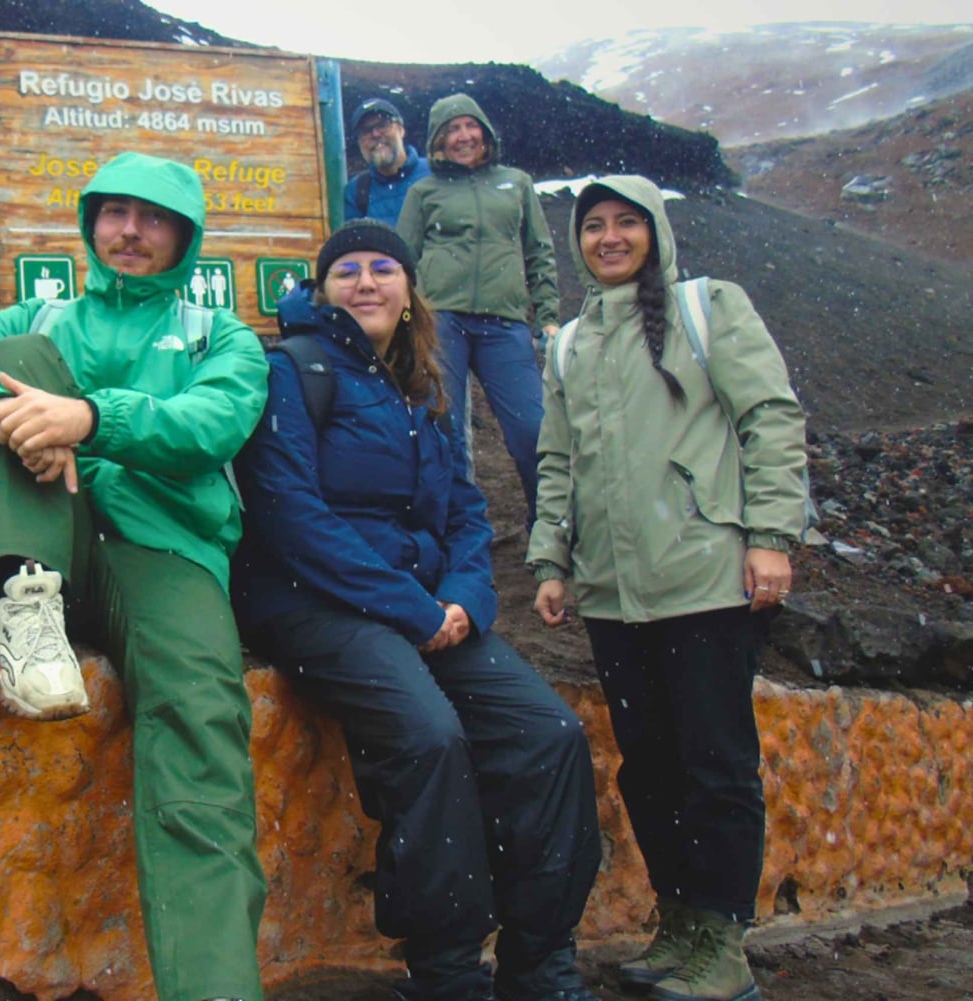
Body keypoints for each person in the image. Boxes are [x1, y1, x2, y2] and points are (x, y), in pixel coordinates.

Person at [0, 152, 268, 1001]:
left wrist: (92, 417)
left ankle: (213, 986)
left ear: (185, 236)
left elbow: (209, 424)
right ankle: (27, 603)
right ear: (91, 222)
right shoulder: (42, 315)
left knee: (201, 731)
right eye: (114, 213)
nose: (130, 232)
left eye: (153, 217)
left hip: (162, 550)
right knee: (15, 357)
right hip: (52, 536)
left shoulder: (224, 336)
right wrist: (6, 410)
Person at [232, 220, 600, 1001]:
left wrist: (464, 599)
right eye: (346, 271)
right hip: (312, 599)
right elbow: (289, 514)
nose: (366, 282)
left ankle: (540, 964)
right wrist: (412, 605)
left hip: (423, 605)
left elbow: (466, 511)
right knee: (429, 736)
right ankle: (447, 972)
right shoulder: (290, 369)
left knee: (551, 735)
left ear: (408, 292)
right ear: (322, 290)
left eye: (383, 269)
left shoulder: (420, 386)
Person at [528, 175, 809, 1001]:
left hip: (704, 577)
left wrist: (770, 538)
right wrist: (551, 559)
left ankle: (722, 945)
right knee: (649, 766)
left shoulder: (709, 306)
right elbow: (558, 459)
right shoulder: (570, 342)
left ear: (655, 230)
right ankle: (680, 925)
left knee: (716, 763)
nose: (609, 238)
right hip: (613, 592)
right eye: (593, 227)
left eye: (626, 223)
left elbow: (770, 416)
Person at [397, 93, 559, 529]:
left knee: (532, 430)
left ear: (485, 133)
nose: (463, 136)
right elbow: (402, 261)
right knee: (440, 428)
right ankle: (453, 527)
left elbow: (539, 251)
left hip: (504, 322)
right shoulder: (423, 191)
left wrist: (547, 313)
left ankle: (550, 527)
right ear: (437, 140)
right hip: (441, 322)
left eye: (470, 126)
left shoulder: (516, 183)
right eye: (451, 129)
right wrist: (404, 325)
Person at [342, 97, 431, 226]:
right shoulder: (356, 192)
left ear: (401, 129)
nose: (375, 134)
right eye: (366, 131)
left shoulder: (434, 173)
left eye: (383, 125)